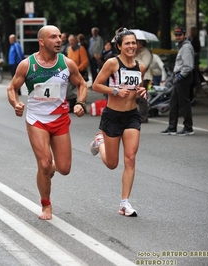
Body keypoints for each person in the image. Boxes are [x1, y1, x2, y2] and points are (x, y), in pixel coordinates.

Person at [6, 25, 87, 220]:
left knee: (64, 168)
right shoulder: (27, 65)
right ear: (42, 41)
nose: (59, 40)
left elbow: (82, 84)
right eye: (53, 37)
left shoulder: (66, 63)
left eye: (60, 36)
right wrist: (15, 103)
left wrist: (81, 103)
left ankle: (47, 170)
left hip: (60, 120)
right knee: (44, 164)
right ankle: (46, 205)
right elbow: (11, 88)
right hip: (36, 120)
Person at [89, 27, 147, 217]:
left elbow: (138, 87)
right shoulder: (112, 63)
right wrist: (115, 91)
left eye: (133, 43)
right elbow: (96, 85)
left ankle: (124, 203)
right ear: (120, 46)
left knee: (130, 158)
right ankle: (100, 142)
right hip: (112, 115)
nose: (131, 46)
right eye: (127, 43)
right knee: (112, 164)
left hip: (131, 116)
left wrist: (142, 91)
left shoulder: (141, 66)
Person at [160, 27, 195, 136]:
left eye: (180, 35)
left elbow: (188, 66)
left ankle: (188, 127)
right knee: (173, 103)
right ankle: (172, 127)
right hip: (179, 77)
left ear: (184, 35)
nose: (177, 37)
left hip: (183, 77)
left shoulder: (186, 47)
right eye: (176, 35)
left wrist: (180, 76)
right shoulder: (182, 47)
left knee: (184, 103)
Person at [66, 34, 89, 112]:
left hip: (79, 72)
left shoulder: (81, 48)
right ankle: (72, 106)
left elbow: (85, 61)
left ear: (76, 41)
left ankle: (81, 106)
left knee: (80, 90)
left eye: (73, 40)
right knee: (70, 90)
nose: (71, 42)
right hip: (70, 72)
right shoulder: (69, 49)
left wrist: (77, 69)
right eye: (70, 41)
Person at [135, 39, 153, 123]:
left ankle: (144, 116)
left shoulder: (146, 52)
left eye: (137, 42)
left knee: (142, 97)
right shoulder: (135, 51)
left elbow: (145, 65)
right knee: (135, 96)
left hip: (145, 76)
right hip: (136, 76)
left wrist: (135, 61)